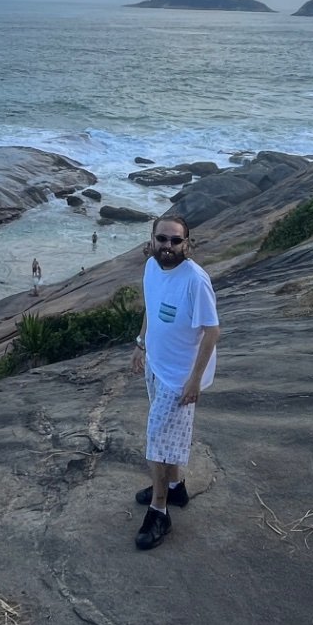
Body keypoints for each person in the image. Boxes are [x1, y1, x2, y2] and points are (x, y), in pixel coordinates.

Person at [130, 215, 220, 551]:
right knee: (167, 437)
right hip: (156, 363)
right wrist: (140, 345)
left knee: (156, 440)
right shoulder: (152, 268)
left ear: (187, 244)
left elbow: (212, 331)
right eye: (162, 239)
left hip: (180, 377)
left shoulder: (195, 280)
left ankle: (159, 511)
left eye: (175, 241)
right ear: (152, 239)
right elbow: (151, 310)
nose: (168, 246)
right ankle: (177, 487)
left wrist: (194, 380)